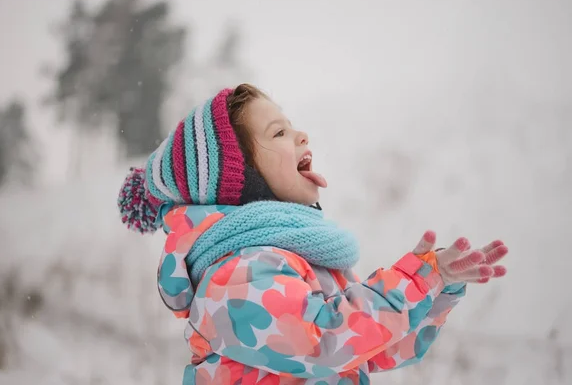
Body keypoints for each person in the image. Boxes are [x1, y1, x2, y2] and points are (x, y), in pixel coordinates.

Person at [117, 84, 508, 384]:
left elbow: (377, 348)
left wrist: (438, 284)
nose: (301, 135)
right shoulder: (235, 277)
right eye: (278, 133)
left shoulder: (292, 261)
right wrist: (418, 280)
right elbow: (330, 340)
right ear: (240, 181)